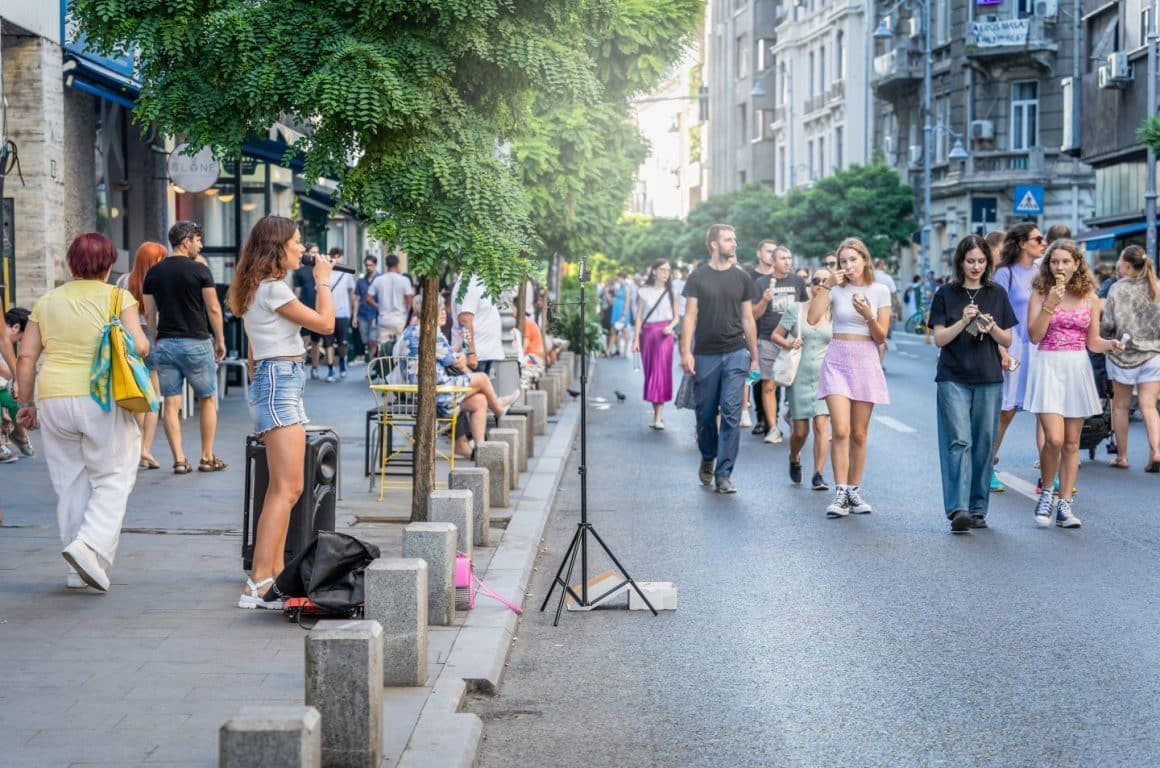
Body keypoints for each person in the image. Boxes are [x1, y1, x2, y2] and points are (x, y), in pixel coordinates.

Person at [15, 233, 150, 591]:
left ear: (71, 264)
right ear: (108, 265)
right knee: (114, 475)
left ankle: (78, 571)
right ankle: (89, 545)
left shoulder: (47, 301)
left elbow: (26, 356)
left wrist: (26, 403)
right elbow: (139, 345)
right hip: (100, 394)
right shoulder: (119, 297)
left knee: (71, 483)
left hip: (54, 397)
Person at [228, 216, 335, 608]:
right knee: (288, 488)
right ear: (277, 247)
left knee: (283, 488)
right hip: (280, 383)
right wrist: (323, 279)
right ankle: (258, 581)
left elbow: (256, 352)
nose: (302, 248)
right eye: (296, 241)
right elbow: (325, 324)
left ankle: (269, 578)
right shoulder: (272, 290)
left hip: (278, 380)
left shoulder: (259, 288)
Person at [1025, 239, 1121, 528]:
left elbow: (1092, 341)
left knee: (1071, 442)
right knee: (1053, 438)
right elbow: (1034, 336)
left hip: (1077, 366)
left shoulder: (1089, 297)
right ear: (1048, 265)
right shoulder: (1041, 293)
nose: (1060, 266)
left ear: (1077, 264)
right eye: (1054, 261)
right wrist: (1049, 307)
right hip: (1048, 365)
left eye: (1066, 261)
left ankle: (1065, 505)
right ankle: (1047, 491)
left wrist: (1110, 345)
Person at [929, 235, 1017, 533]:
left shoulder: (997, 293)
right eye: (970, 261)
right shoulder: (946, 294)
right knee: (959, 441)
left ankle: (978, 509)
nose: (976, 267)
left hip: (989, 376)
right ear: (960, 262)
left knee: (983, 443)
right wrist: (961, 322)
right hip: (953, 375)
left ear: (987, 263)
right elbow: (939, 338)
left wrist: (991, 328)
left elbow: (1008, 339)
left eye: (981, 261)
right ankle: (958, 509)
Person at [808, 237, 891, 518]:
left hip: (866, 359)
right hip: (838, 358)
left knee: (859, 433)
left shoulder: (879, 290)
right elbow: (812, 318)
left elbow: (881, 336)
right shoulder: (834, 289)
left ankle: (855, 489)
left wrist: (868, 314)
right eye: (843, 261)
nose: (848, 265)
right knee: (840, 430)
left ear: (864, 260)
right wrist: (827, 285)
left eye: (853, 260)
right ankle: (840, 490)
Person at [680, 224, 760, 494]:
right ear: (714, 244)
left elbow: (748, 318)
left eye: (734, 239)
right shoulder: (698, 277)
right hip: (705, 354)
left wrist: (755, 357)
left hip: (736, 352)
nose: (734, 243)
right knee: (704, 414)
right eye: (728, 239)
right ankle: (707, 455)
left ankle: (724, 474)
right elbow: (689, 316)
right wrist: (685, 352)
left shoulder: (742, 279)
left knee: (731, 413)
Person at [143, 221, 227, 475]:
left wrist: (157, 338)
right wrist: (220, 339)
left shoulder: (153, 273)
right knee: (208, 399)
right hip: (196, 342)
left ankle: (179, 459)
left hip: (166, 344)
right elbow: (213, 308)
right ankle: (206, 456)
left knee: (170, 402)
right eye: (198, 240)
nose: (200, 245)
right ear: (186, 241)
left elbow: (149, 312)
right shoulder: (200, 270)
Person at [396, 295, 519, 458]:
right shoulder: (430, 333)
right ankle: (499, 408)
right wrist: (463, 360)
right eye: (439, 309)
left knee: (480, 400)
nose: (443, 313)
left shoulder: (408, 332)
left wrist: (457, 358)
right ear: (428, 312)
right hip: (436, 394)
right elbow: (453, 360)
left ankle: (479, 449)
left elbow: (448, 357)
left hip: (417, 394)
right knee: (481, 378)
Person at [990, 222, 1046, 492]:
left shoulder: (1041, 272)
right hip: (1013, 346)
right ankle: (987, 465)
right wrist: (1001, 349)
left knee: (1045, 411)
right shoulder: (1005, 274)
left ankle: (1048, 475)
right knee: (1006, 410)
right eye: (1038, 238)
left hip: (1039, 345)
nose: (1043, 242)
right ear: (1023, 243)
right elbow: (994, 314)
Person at [772, 269, 834, 491]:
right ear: (809, 285)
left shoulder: (834, 311)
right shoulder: (796, 309)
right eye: (815, 281)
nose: (819, 284)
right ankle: (794, 456)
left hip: (825, 377)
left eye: (824, 281)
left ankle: (818, 474)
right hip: (799, 376)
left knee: (821, 425)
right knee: (800, 431)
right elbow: (776, 335)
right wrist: (788, 343)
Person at [1101, 245, 1160, 472]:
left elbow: (1108, 324)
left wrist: (1106, 338)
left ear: (1126, 265)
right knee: (1149, 406)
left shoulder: (1117, 288)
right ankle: (1156, 452)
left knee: (1121, 407)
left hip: (1122, 355)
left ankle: (1122, 457)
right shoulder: (1156, 287)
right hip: (1153, 354)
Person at [117, 242, 167, 470]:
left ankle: (135, 448)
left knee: (137, 394)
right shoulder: (157, 282)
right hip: (150, 335)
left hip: (127, 338)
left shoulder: (123, 281)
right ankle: (145, 448)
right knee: (153, 395)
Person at [752, 244, 808, 443]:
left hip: (793, 341)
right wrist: (765, 300)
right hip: (767, 340)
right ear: (773, 262)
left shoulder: (798, 282)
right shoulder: (760, 283)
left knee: (794, 384)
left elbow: (805, 309)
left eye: (789, 258)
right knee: (769, 385)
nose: (787, 262)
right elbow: (753, 315)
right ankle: (773, 428)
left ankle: (791, 415)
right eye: (783, 258)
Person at [632, 259, 680, 430]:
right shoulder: (643, 291)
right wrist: (636, 339)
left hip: (664, 335)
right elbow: (638, 316)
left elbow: (676, 317)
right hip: (648, 335)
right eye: (662, 270)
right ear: (654, 271)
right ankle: (655, 414)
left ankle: (659, 417)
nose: (665, 273)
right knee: (651, 373)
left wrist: (670, 327)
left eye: (668, 270)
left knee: (661, 373)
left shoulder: (672, 292)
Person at [742, 241, 777, 432]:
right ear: (759, 253)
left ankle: (773, 418)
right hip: (755, 331)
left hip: (777, 334)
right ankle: (761, 418)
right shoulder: (750, 277)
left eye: (775, 252)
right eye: (768, 251)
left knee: (774, 379)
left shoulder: (782, 277)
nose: (771, 255)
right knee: (757, 376)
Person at [454, 273, 505, 374]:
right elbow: (464, 320)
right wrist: (470, 353)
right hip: (477, 356)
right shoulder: (468, 284)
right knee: (476, 389)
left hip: (485, 354)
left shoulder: (480, 282)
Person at [1, 307, 33, 462]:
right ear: (15, 327)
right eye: (22, 337)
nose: (21, 341)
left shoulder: (5, 344)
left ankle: (19, 435)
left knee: (15, 401)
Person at [367, 253, 414, 356]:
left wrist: (378, 306)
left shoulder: (378, 280)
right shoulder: (404, 280)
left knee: (382, 348)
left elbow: (368, 298)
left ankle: (383, 369)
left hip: (383, 319)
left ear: (386, 265)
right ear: (397, 265)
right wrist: (408, 313)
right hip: (400, 320)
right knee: (401, 347)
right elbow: (409, 301)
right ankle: (398, 368)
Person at [322, 247, 356, 381]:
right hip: (327, 313)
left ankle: (342, 361)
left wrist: (353, 313)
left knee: (343, 343)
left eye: (338, 256)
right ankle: (330, 369)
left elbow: (351, 294)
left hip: (342, 312)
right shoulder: (325, 272)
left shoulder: (346, 274)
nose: (336, 258)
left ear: (341, 257)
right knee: (328, 343)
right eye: (333, 256)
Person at [292, 243, 323, 378]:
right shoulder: (300, 272)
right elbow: (297, 293)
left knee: (316, 342)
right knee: (304, 340)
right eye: (312, 252)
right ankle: (301, 369)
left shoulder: (322, 270)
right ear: (307, 254)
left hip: (318, 310)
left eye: (317, 252)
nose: (315, 255)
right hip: (304, 310)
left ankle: (315, 368)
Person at [873, 259, 900, 367]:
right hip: (885, 311)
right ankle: (879, 363)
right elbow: (894, 295)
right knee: (881, 338)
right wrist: (896, 311)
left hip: (870, 311)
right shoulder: (887, 278)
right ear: (882, 264)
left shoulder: (869, 276)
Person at [354, 255, 380, 360]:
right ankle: (372, 363)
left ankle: (372, 365)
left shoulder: (380, 279)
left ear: (375, 265)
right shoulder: (360, 281)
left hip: (375, 314)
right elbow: (356, 299)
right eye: (367, 265)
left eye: (371, 265)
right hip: (363, 315)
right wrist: (355, 316)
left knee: (372, 340)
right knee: (367, 342)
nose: (368, 267)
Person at [606, 274, 633, 358]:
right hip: (616, 311)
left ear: (623, 278)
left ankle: (625, 351)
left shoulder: (626, 287)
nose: (618, 280)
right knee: (614, 331)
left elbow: (628, 301)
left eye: (619, 279)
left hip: (622, 312)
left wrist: (624, 314)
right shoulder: (619, 287)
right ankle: (609, 350)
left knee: (624, 331)